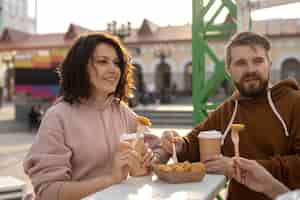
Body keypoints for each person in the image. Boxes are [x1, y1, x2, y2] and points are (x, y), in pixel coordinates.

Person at [23, 32, 166, 200]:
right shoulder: (58, 116)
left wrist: (159, 153)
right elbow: (48, 191)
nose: (114, 70)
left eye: (117, 63)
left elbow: (157, 152)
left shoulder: (123, 112)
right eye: (102, 62)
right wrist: (110, 179)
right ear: (80, 67)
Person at [161, 32, 300, 200]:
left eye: (258, 61)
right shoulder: (228, 109)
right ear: (229, 71)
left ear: (269, 64)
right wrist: (178, 144)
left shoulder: (294, 102)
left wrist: (237, 167)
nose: (251, 70)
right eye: (241, 63)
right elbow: (196, 144)